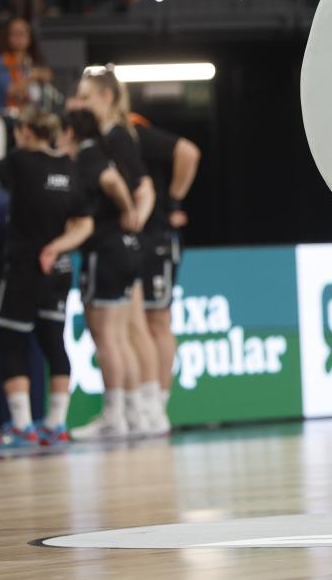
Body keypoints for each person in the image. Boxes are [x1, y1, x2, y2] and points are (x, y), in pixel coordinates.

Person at [72, 66, 166, 438]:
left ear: (106, 97)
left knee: (130, 330)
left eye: (86, 97)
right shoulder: (107, 136)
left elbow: (144, 186)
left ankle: (143, 411)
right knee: (130, 329)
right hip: (125, 243)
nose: (80, 104)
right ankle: (140, 412)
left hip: (118, 243)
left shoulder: (115, 136)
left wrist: (134, 216)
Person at [0, 110, 91, 448]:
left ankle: (22, 425)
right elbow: (84, 224)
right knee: (54, 342)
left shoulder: (19, 161)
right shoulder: (69, 166)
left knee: (11, 341)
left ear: (23, 131)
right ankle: (56, 424)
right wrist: (56, 248)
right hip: (59, 268)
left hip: (23, 265)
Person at [60, 107, 142, 441]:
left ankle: (113, 416)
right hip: (124, 250)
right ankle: (132, 414)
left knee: (106, 337)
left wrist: (128, 208)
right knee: (120, 338)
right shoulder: (105, 152)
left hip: (104, 252)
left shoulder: (88, 156)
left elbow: (110, 181)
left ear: (70, 133)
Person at [131, 115, 201, 428]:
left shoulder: (136, 132)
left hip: (156, 239)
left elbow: (189, 152)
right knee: (134, 324)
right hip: (131, 240)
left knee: (157, 320)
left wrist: (173, 201)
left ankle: (158, 405)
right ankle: (140, 404)